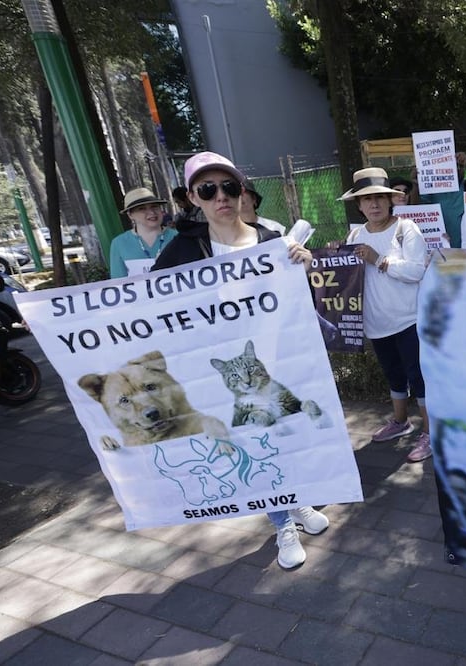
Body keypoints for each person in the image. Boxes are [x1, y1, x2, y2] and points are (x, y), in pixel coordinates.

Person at [151, 151, 329, 570]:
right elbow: (147, 304)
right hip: (228, 375)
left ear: (242, 192)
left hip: (279, 361)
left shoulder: (271, 240)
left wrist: (305, 268)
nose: (221, 197)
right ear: (193, 197)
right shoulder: (182, 250)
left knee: (288, 436)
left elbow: (300, 306)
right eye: (208, 190)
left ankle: (298, 503)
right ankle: (281, 522)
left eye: (229, 187)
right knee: (256, 442)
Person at [338, 167, 432, 463]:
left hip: (409, 320)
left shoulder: (406, 229)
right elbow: (345, 276)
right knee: (393, 375)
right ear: (359, 205)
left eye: (380, 198)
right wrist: (335, 255)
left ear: (391, 200)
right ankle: (400, 422)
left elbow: (418, 271)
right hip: (376, 323)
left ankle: (431, 433)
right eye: (367, 200)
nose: (374, 204)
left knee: (419, 379)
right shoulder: (355, 234)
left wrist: (378, 260)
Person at [108, 187, 177, 279]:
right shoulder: (119, 243)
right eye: (142, 209)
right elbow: (118, 283)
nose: (152, 212)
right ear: (130, 215)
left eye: (154, 206)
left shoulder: (177, 236)